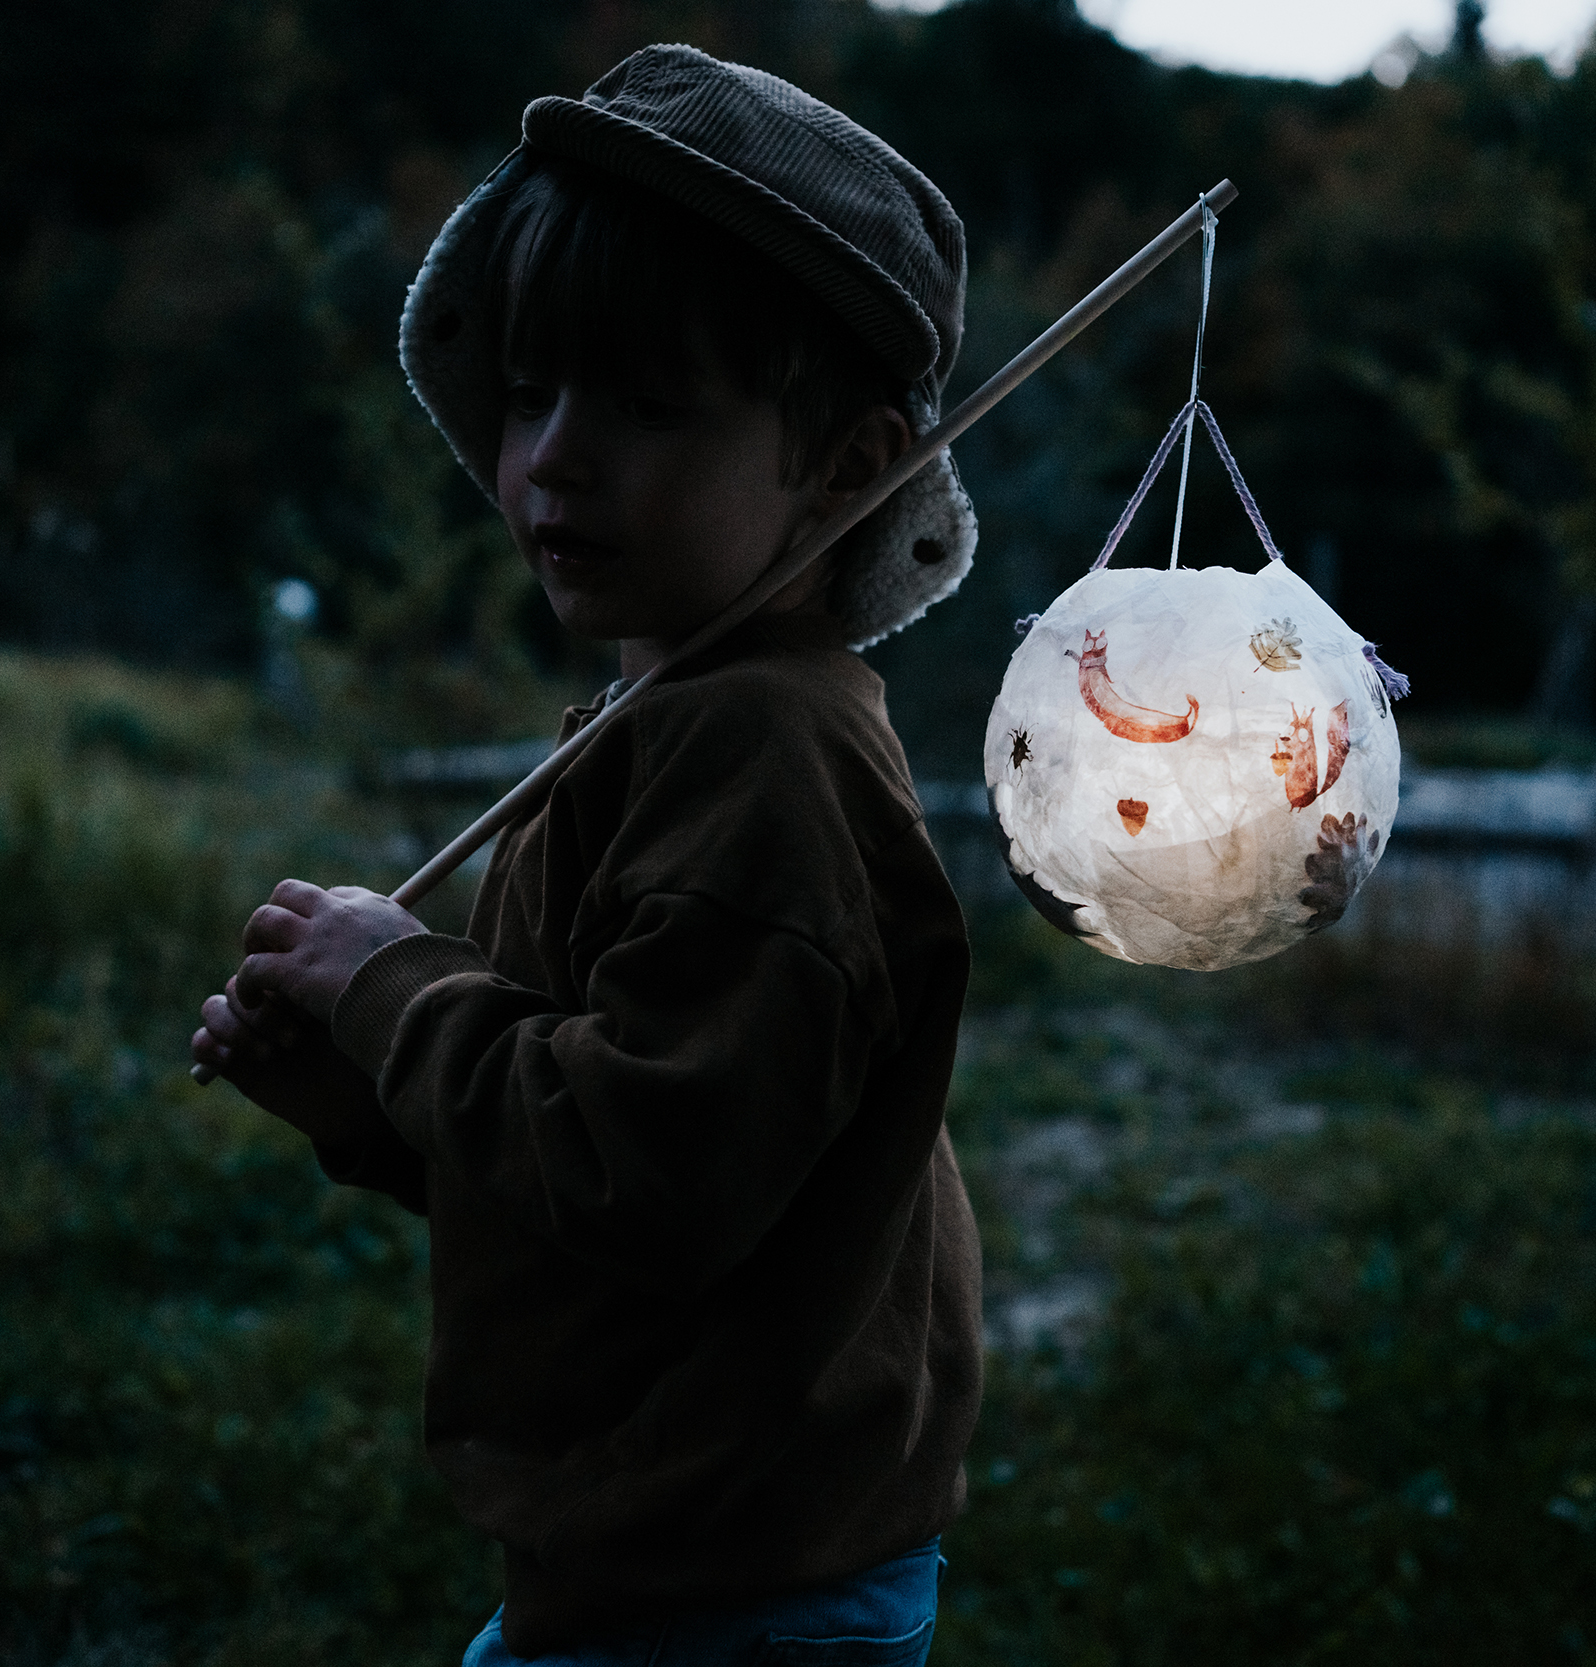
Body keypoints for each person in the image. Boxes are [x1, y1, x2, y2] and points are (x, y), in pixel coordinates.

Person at [189, 44, 984, 1667]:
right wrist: (364, 1092)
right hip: (664, 1557)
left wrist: (399, 992)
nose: (555, 453)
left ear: (850, 466)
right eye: (531, 391)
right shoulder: (668, 722)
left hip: (734, 1595)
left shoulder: (766, 755)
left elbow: (652, 1175)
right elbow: (583, 1172)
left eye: (644, 405)